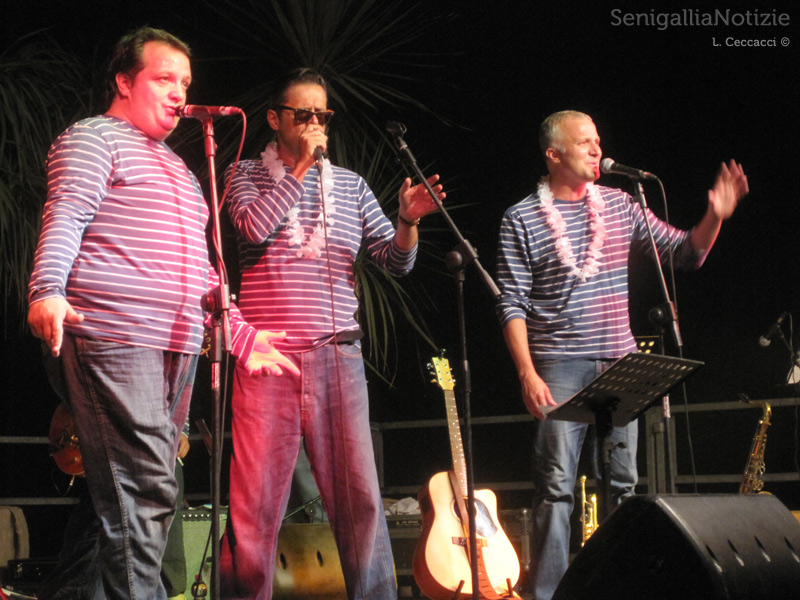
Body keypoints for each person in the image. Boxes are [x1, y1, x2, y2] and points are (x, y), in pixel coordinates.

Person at [27, 26, 294, 600]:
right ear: (124, 81)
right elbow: (66, 216)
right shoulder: (94, 138)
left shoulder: (178, 170)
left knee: (139, 495)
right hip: (113, 334)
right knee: (146, 487)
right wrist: (46, 288)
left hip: (176, 343)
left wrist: (241, 334)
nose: (179, 92)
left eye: (186, 82)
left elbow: (201, 271)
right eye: (164, 78)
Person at [495, 110, 748, 600]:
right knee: (555, 488)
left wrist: (715, 216)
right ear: (554, 154)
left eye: (597, 141)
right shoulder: (521, 217)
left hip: (619, 362)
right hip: (557, 365)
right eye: (585, 142)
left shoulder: (621, 204)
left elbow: (685, 253)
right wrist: (526, 372)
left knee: (624, 485)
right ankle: (548, 591)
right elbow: (512, 302)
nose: (597, 150)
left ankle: (617, 587)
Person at [219, 67, 444, 600]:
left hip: (337, 357)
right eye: (304, 115)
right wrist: (297, 171)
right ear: (275, 119)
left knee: (359, 503)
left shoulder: (352, 186)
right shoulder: (243, 175)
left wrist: (408, 221)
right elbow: (251, 226)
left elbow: (395, 262)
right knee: (254, 508)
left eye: (323, 114)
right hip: (268, 361)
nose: (316, 124)